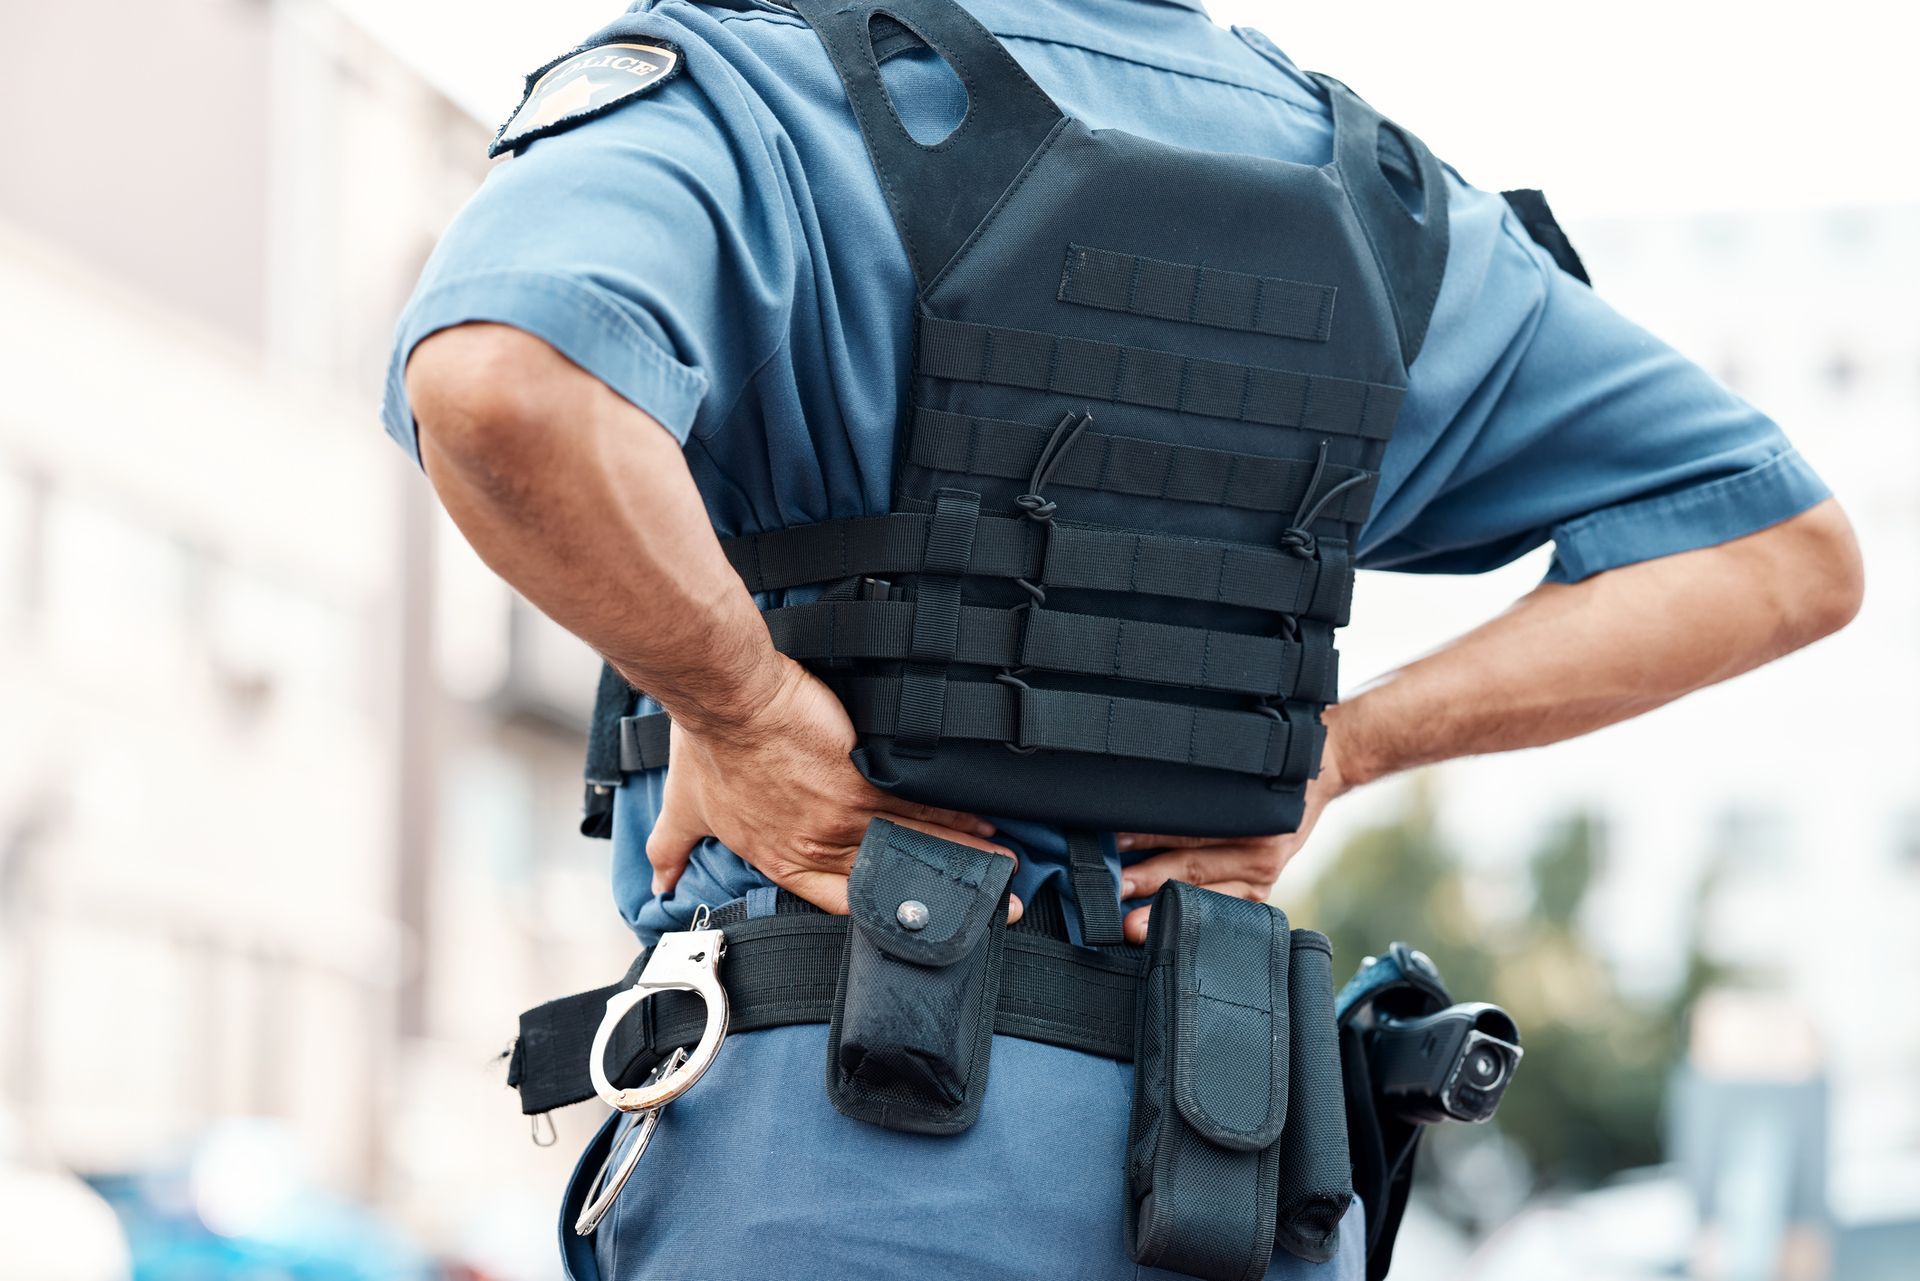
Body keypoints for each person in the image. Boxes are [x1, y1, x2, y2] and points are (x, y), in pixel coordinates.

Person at [383, 2, 1862, 1277]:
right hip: (1231, 1160)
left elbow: (502, 382)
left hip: (833, 1144)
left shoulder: (758, 93)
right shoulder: (1383, 202)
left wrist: (744, 710)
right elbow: (1784, 552)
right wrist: (1342, 749)